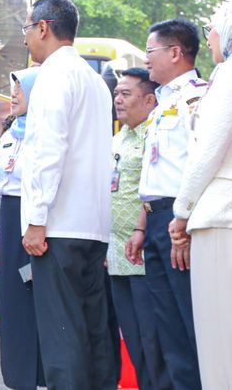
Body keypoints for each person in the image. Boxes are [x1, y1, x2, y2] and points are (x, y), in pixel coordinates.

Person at [19, 0, 115, 388]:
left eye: (26, 29)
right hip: (93, 227)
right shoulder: (96, 82)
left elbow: (48, 151)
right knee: (94, 330)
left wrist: (36, 220)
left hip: (58, 225)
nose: (25, 40)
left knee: (62, 334)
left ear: (43, 27)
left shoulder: (52, 77)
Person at [132, 18, 205, 390]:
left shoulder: (198, 97)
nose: (146, 59)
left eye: (150, 51)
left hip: (181, 222)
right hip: (157, 218)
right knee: (168, 324)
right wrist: (142, 226)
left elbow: (199, 164)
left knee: (191, 320)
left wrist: (184, 221)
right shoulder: (162, 103)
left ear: (175, 53)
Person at [169, 1, 232, 388]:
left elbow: (208, 150)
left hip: (221, 215)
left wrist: (181, 212)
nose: (208, 35)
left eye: (211, 26)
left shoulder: (226, 75)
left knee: (219, 340)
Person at [109, 68, 171, 390]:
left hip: (144, 254)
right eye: (117, 93)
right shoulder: (117, 138)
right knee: (133, 337)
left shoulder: (154, 135)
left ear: (149, 99)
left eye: (126, 94)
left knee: (153, 336)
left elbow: (152, 189)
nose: (118, 99)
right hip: (116, 255)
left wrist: (141, 229)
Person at [0, 67, 44, 390]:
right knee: (12, 300)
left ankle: (43, 374)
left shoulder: (45, 133)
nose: (13, 94)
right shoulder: (8, 136)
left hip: (34, 220)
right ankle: (18, 377)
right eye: (13, 88)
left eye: (20, 88)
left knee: (39, 297)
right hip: (8, 222)